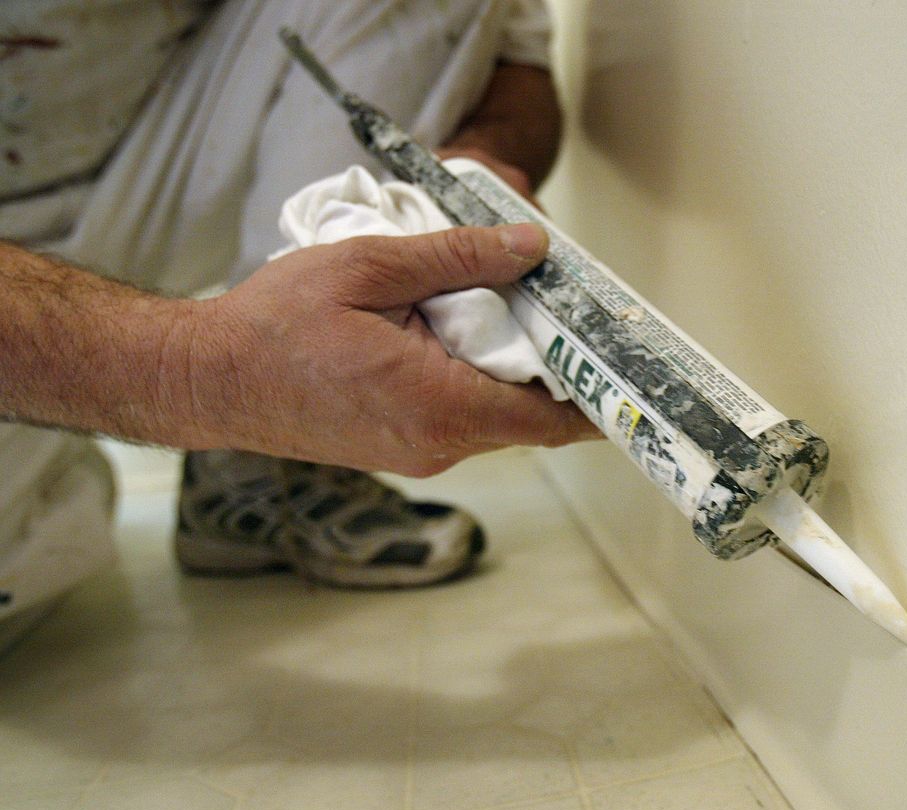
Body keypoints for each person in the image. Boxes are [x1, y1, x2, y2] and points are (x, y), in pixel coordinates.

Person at [0, 0, 593, 650]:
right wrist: (204, 373)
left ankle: (256, 471)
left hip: (140, 157)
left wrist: (466, 171)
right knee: (31, 554)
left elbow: (516, 64)